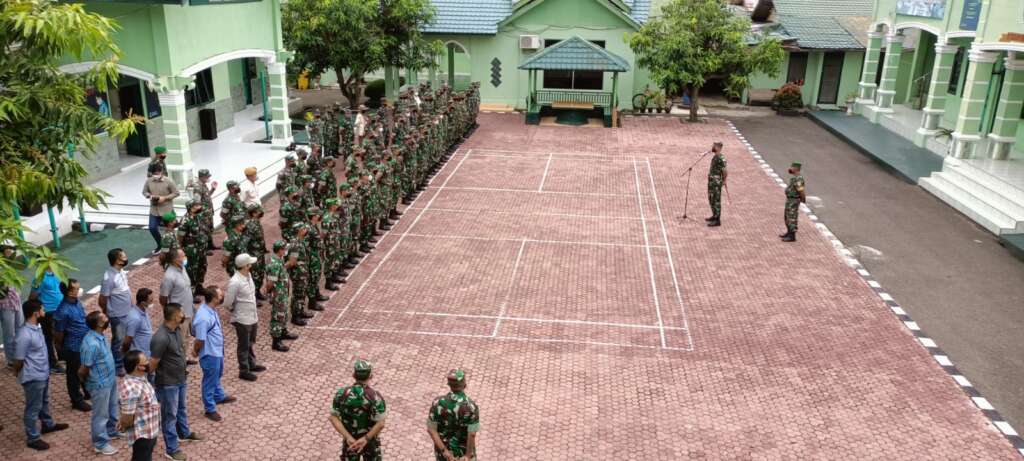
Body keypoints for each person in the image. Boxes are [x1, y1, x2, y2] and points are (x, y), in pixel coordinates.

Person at [14, 299, 70, 450]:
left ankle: (48, 424)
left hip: (43, 373)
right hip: (33, 377)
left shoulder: (37, 327)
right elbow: (18, 360)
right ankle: (32, 438)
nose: (44, 312)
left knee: (44, 401)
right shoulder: (24, 335)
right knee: (33, 407)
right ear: (35, 313)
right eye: (42, 310)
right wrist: (18, 373)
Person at [150, 303, 201, 461]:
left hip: (180, 378)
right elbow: (153, 364)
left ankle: (184, 433)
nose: (183, 314)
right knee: (169, 415)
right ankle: (171, 449)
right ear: (173, 316)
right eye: (181, 312)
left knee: (181, 408)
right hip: (168, 383)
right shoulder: (160, 337)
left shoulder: (177, 330)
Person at [79, 311, 121, 455]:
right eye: (104, 318)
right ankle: (100, 443)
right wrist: (87, 383)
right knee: (100, 414)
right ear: (98, 323)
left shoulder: (101, 337)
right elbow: (83, 369)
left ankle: (111, 430)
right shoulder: (91, 344)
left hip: (110, 379)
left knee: (112, 406)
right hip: (100, 384)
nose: (107, 318)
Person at [192, 286, 237, 421]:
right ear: (213, 299)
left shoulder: (211, 310)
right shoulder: (203, 318)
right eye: (220, 296)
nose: (222, 297)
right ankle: (209, 408)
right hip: (210, 353)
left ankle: (218, 396)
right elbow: (200, 339)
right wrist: (195, 351)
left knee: (217, 374)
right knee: (210, 380)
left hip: (216, 350)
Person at [330, 359, 387, 461]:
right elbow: (381, 423)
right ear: (370, 376)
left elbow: (333, 417)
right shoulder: (375, 397)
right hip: (370, 440)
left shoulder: (341, 394)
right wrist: (366, 439)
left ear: (353, 375)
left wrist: (348, 437)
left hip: (350, 441)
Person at [224, 253, 265, 381]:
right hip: (242, 318)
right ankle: (244, 370)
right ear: (245, 266)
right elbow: (227, 302)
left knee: (250, 342)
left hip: (252, 315)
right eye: (250, 263)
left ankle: (251, 364)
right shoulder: (235, 282)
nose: (251, 265)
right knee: (243, 344)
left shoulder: (248, 275)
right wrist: (235, 310)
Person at [53, 279, 91, 411]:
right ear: (69, 292)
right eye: (76, 288)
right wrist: (61, 349)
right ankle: (76, 400)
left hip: (83, 343)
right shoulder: (63, 311)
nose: (79, 290)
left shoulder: (77, 303)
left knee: (85, 368)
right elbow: (58, 334)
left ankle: (87, 391)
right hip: (72, 346)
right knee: (73, 374)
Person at [427, 368, 480, 461]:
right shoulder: (471, 406)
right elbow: (472, 434)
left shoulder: (437, 402)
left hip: (444, 455)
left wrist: (445, 452)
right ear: (465, 384)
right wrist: (467, 456)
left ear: (449, 385)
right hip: (463, 453)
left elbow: (431, 430)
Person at [118, 350, 161, 461]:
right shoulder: (131, 388)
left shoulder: (140, 378)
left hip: (150, 430)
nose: (148, 362)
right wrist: (123, 423)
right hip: (143, 435)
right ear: (139, 367)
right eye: (146, 361)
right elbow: (127, 418)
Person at [100, 248, 134, 376]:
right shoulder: (109, 278)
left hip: (127, 312)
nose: (126, 259)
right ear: (117, 260)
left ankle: (126, 361)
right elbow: (103, 299)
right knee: (119, 340)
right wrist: (108, 312)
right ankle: (118, 365)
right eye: (123, 257)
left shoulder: (121, 272)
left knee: (127, 337)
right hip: (118, 315)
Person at [28, 268, 63, 374]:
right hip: (47, 312)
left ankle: (61, 359)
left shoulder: (57, 272)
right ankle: (52, 364)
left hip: (60, 310)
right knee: (49, 338)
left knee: (59, 335)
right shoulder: (39, 278)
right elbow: (33, 296)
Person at [265, 240, 299, 351]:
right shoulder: (274, 263)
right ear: (280, 250)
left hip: (282, 293)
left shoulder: (279, 260)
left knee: (283, 314)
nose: (286, 251)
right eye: (284, 249)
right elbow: (270, 283)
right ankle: (276, 341)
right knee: (278, 316)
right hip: (278, 295)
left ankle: (283, 332)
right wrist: (270, 294)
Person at [142, 163, 180, 256]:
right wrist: (149, 196)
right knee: (152, 227)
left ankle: (175, 246)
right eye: (154, 173)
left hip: (166, 209)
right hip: (154, 209)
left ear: (161, 172)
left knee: (171, 228)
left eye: (158, 173)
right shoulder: (149, 181)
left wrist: (165, 198)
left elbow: (176, 193)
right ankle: (160, 245)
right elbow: (144, 192)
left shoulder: (168, 181)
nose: (156, 175)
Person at [123, 288, 155, 382]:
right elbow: (128, 340)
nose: (152, 302)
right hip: (139, 358)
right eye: (150, 300)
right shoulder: (135, 318)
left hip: (147, 355)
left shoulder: (143, 312)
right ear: (142, 302)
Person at [160, 248, 193, 337]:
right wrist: (172, 314)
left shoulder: (182, 268)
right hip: (178, 317)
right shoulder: (169, 277)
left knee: (186, 340)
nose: (185, 257)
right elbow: (163, 298)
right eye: (183, 256)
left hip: (188, 312)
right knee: (180, 343)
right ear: (175, 260)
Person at [780, 161, 806, 242]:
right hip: (790, 199)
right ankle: (788, 232)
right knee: (787, 216)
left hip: (794, 200)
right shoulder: (794, 178)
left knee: (792, 217)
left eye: (792, 167)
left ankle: (792, 236)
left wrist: (803, 198)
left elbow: (801, 190)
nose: (790, 169)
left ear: (796, 169)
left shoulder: (798, 179)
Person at [0, 283, 22, 367]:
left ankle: (19, 356)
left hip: (15, 300)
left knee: (20, 329)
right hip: (5, 304)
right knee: (9, 333)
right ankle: (11, 361)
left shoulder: (10, 271)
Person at [705, 141, 727, 227]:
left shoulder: (721, 158)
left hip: (716, 182)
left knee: (716, 200)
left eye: (714, 146)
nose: (712, 147)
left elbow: (725, 171)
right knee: (711, 198)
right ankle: (714, 215)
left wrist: (724, 180)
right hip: (712, 181)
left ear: (718, 147)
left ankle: (717, 220)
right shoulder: (716, 156)